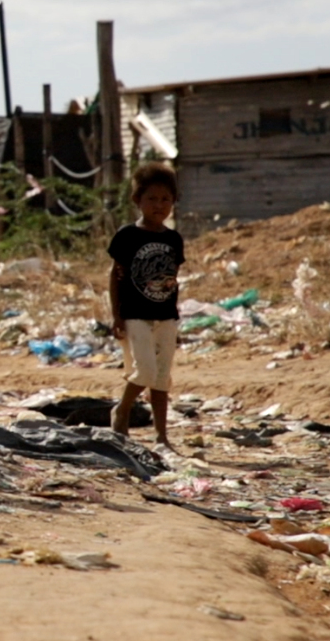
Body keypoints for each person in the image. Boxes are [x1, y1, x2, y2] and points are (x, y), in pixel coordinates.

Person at [108, 162, 185, 449]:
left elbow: (171, 277)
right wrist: (115, 315)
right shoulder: (127, 236)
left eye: (166, 199)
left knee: (162, 378)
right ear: (137, 200)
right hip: (135, 314)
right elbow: (114, 277)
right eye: (152, 198)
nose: (159, 205)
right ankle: (122, 409)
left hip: (165, 315)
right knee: (145, 372)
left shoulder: (174, 239)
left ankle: (161, 436)